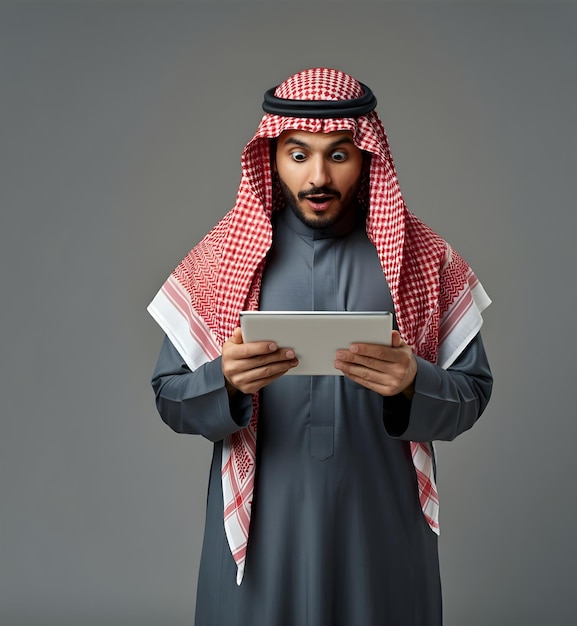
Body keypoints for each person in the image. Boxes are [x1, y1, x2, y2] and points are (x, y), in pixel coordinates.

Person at [148, 68, 493, 626]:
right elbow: (170, 396)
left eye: (338, 155)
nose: (317, 176)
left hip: (380, 525)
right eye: (298, 153)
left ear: (366, 159)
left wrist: (414, 382)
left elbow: (472, 392)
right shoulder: (221, 261)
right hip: (263, 536)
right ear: (272, 156)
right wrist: (224, 380)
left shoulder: (422, 259)